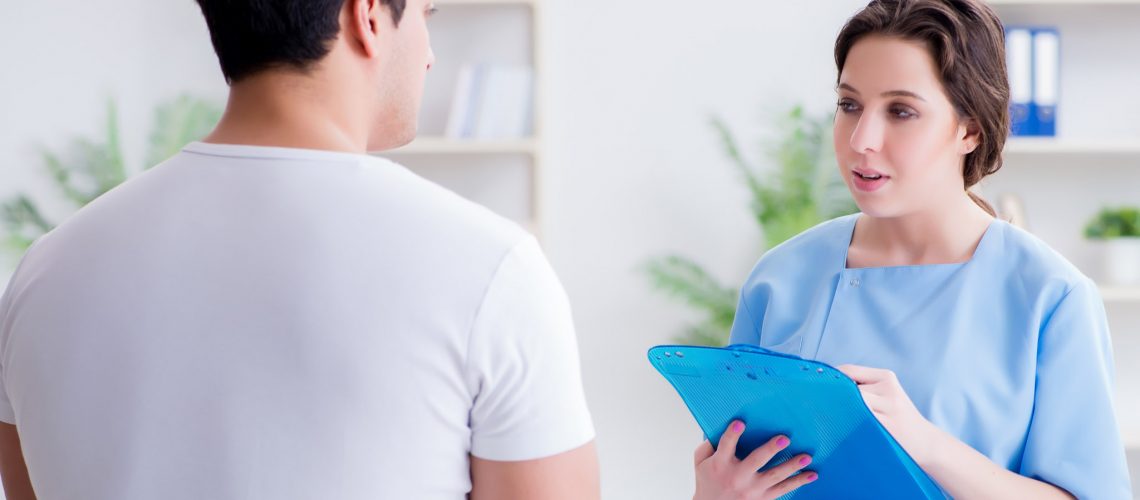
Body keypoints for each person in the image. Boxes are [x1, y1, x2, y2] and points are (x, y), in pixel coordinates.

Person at [0, 1, 599, 498]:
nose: (429, 53)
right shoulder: (491, 269)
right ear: (367, 16)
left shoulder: (43, 273)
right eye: (425, 14)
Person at [691, 0, 1133, 498]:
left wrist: (924, 442)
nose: (862, 139)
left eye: (901, 111)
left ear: (970, 129)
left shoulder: (1051, 296)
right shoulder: (779, 278)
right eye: (849, 105)